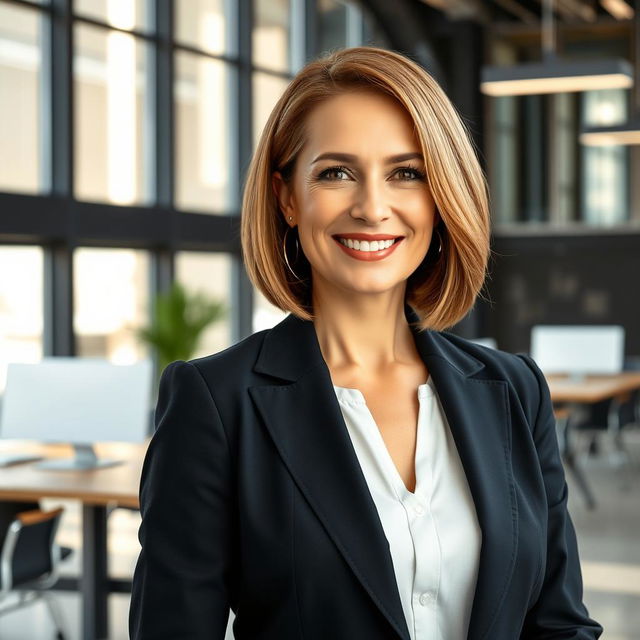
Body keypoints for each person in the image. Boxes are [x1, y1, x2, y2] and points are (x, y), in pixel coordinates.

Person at [129, 46, 603, 640]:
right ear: (287, 197)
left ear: (440, 197)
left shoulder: (513, 388)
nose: (373, 207)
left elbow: (558, 622)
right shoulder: (216, 404)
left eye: (406, 173)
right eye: (335, 172)